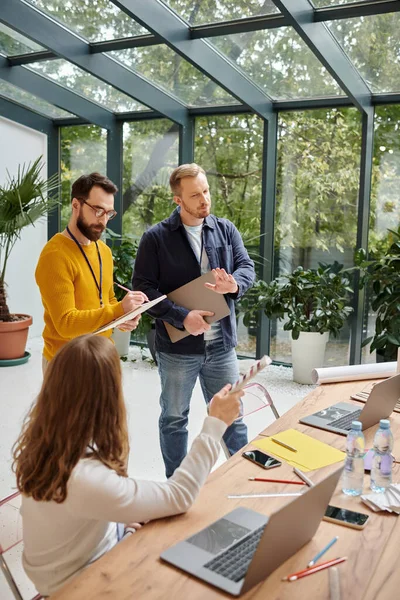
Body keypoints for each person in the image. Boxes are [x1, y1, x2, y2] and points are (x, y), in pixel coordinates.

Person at [13, 334, 243, 597]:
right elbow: (180, 495)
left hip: (75, 563)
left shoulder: (51, 443)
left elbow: (80, 513)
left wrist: (117, 526)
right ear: (108, 395)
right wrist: (215, 424)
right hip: (81, 585)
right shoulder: (85, 477)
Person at [133, 163, 255, 477]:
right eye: (195, 195)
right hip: (177, 350)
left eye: (206, 191)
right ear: (178, 200)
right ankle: (177, 486)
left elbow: (246, 266)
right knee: (174, 419)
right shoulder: (155, 238)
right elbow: (143, 288)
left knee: (232, 417)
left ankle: (241, 480)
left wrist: (235, 283)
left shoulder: (226, 228)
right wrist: (181, 317)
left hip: (222, 347)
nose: (204, 200)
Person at [35, 172, 147, 370]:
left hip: (102, 358)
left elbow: (108, 299)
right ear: (76, 205)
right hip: (66, 365)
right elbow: (66, 323)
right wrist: (118, 310)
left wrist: (122, 319)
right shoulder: (55, 255)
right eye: (98, 210)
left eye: (109, 213)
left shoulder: (103, 251)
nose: (103, 221)